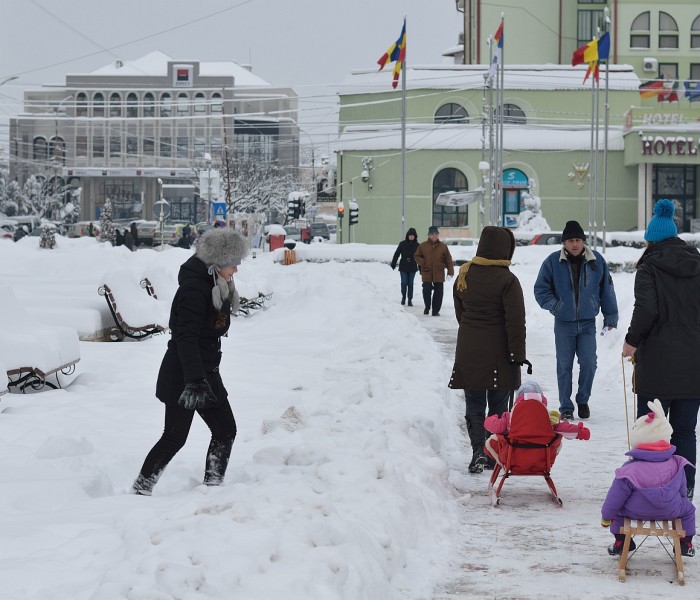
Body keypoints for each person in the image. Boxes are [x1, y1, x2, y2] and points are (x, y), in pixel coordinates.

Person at [131, 228, 249, 496]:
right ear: (216, 263)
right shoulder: (195, 290)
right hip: (185, 375)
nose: (236, 270)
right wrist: (195, 381)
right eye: (233, 264)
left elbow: (213, 327)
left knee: (225, 430)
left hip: (205, 371)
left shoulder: (215, 286)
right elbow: (185, 338)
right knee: (174, 438)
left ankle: (213, 487)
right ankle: (140, 489)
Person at [622, 199, 700, 501]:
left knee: (651, 430)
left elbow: (647, 310)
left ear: (650, 240)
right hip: (693, 363)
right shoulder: (696, 265)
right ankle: (685, 487)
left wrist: (631, 341)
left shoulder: (649, 268)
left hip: (656, 365)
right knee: (684, 430)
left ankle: (648, 488)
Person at [448, 226, 528, 473]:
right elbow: (515, 323)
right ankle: (493, 454)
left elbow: (460, 313)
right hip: (499, 353)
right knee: (497, 406)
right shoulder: (508, 280)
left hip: (469, 349)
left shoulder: (464, 274)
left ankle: (477, 453)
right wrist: (517, 356)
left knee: (473, 403)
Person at [534, 220, 618, 421]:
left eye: (578, 240)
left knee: (589, 362)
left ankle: (582, 399)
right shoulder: (553, 262)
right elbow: (540, 289)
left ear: (583, 241)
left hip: (588, 323)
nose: (575, 244)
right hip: (564, 323)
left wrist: (611, 317)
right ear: (564, 242)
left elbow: (607, 290)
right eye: (571, 240)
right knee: (564, 365)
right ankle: (566, 406)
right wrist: (556, 306)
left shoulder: (596, 261)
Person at [601, 399, 695, 557]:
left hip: (635, 510)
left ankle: (621, 541)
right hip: (670, 510)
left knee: (617, 511)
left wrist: (606, 516)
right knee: (689, 510)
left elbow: (615, 496)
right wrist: (681, 503)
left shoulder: (630, 468)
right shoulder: (676, 464)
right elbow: (682, 491)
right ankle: (685, 543)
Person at [414, 225, 454, 316]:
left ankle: (435, 310)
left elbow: (448, 259)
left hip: (439, 272)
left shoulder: (443, 247)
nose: (434, 236)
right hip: (426, 272)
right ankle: (427, 306)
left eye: (436, 234)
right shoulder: (422, 246)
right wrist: (423, 262)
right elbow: (416, 256)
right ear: (428, 235)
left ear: (438, 235)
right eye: (432, 234)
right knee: (426, 290)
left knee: (439, 292)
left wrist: (450, 272)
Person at [390, 227, 419, 306]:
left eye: (413, 235)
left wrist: (421, 267)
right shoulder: (402, 244)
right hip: (403, 266)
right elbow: (397, 254)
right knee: (404, 283)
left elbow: (420, 257)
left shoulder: (417, 245)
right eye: (410, 235)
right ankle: (403, 297)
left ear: (415, 236)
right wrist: (393, 263)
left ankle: (410, 300)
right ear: (407, 235)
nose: (411, 237)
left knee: (410, 284)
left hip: (412, 267)